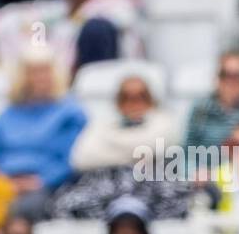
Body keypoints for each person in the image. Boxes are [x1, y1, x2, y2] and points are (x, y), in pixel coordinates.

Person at [52, 74, 184, 219]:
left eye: (141, 97)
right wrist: (135, 153)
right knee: (64, 204)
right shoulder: (101, 125)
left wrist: (109, 147)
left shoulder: (164, 122)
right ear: (118, 103)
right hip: (104, 186)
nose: (134, 103)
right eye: (126, 98)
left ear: (151, 100)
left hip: (151, 187)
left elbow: (154, 144)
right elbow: (80, 158)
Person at [0, 52, 87, 216]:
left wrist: (41, 181)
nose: (40, 77)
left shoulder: (70, 113)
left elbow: (72, 159)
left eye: (45, 71)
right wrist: (4, 181)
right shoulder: (6, 115)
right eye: (33, 72)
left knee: (20, 209)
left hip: (47, 185)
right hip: (5, 182)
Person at [184, 51, 239, 157]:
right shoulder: (201, 108)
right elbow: (187, 151)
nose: (233, 80)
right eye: (226, 74)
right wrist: (195, 171)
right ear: (218, 77)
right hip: (207, 169)